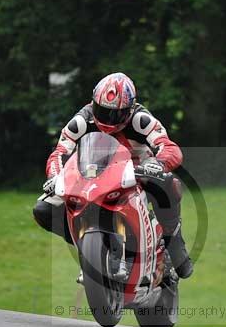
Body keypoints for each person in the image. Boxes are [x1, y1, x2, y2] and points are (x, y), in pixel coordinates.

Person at [33, 72, 193, 279]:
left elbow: (169, 148)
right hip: (93, 175)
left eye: (116, 114)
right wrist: (55, 176)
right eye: (103, 111)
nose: (109, 120)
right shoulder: (81, 121)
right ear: (93, 102)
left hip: (137, 173)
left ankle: (174, 241)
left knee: (168, 184)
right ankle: (88, 246)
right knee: (44, 209)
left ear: (130, 107)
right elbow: (60, 153)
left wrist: (157, 163)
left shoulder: (142, 120)